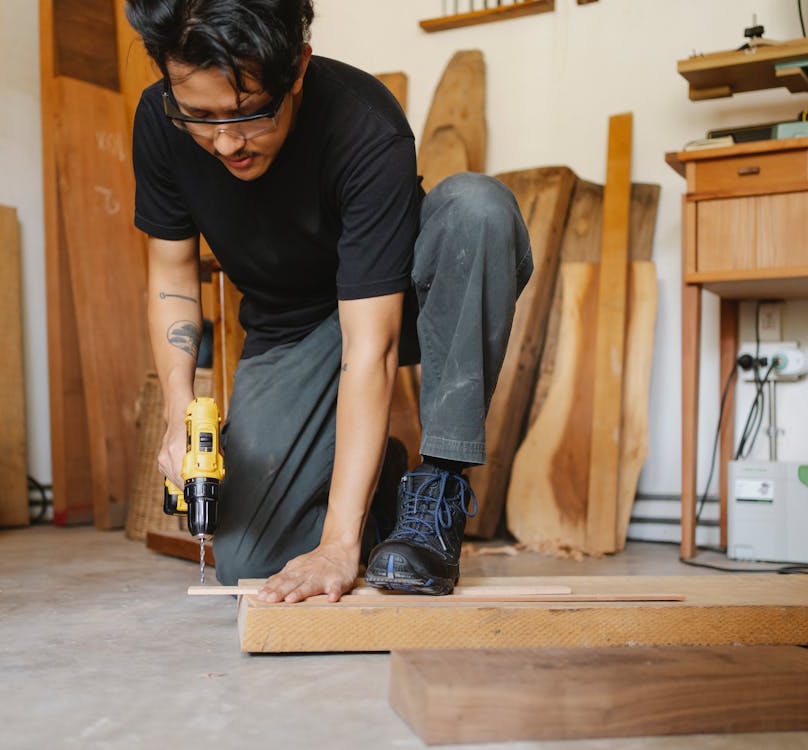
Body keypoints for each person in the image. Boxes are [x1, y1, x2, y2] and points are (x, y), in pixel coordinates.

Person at [126, 0, 531, 602]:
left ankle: (436, 488)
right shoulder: (161, 121)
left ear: (297, 71)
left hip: (400, 298)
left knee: (477, 210)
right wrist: (182, 414)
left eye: (249, 113)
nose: (226, 142)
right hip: (291, 329)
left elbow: (373, 345)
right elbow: (173, 274)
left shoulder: (364, 122)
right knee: (252, 564)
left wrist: (339, 545)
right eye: (200, 117)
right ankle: (382, 485)